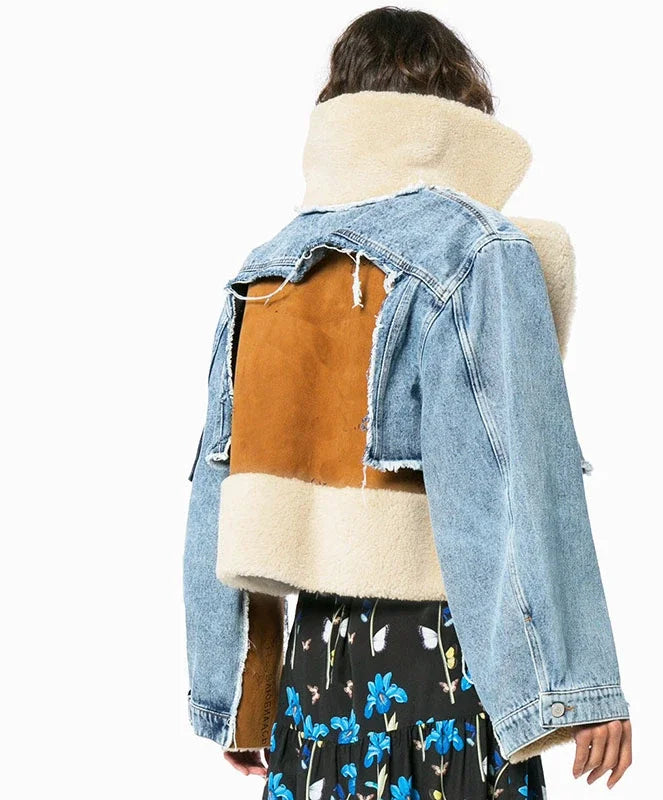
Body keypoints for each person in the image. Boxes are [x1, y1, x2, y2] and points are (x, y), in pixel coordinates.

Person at [183, 7, 633, 797]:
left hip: (314, 668)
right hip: (448, 662)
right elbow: (521, 474)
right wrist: (578, 683)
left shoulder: (265, 270)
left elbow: (217, 490)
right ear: (455, 109)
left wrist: (241, 700)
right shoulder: (478, 247)